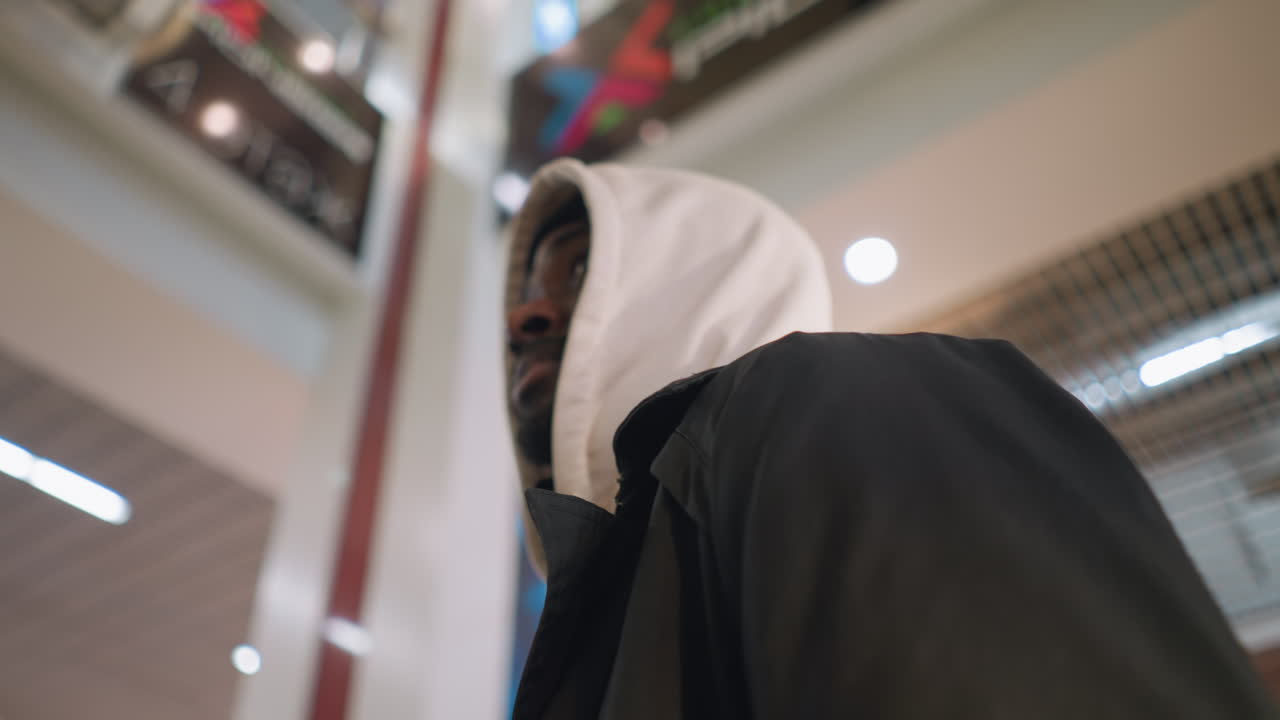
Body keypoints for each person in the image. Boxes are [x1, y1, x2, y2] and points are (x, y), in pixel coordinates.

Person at [503, 158, 1278, 719]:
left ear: (682, 273)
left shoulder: (828, 394)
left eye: (574, 274)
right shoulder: (619, 597)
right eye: (527, 294)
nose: (523, 318)